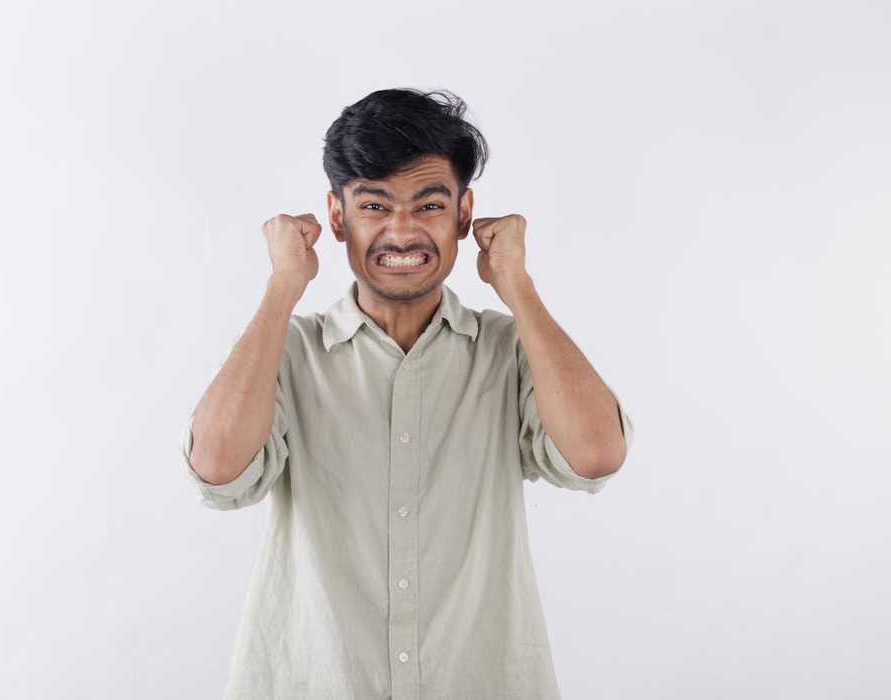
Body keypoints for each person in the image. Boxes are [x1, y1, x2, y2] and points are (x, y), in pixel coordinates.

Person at [180, 87, 634, 700]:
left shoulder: (509, 348)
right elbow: (217, 470)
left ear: (464, 214)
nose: (401, 232)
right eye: (374, 205)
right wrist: (283, 284)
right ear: (336, 216)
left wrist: (516, 284)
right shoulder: (286, 351)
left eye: (429, 205)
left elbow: (596, 455)